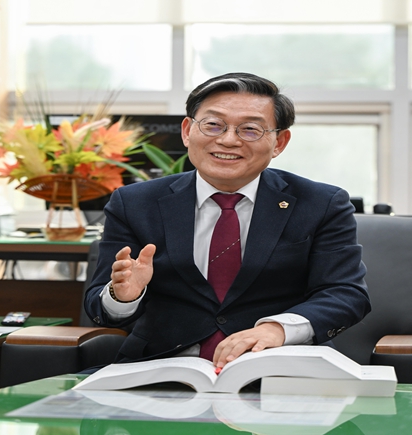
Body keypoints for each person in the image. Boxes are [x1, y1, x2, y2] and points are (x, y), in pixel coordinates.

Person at [84, 72, 370, 370]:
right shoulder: (134, 203)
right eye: (213, 125)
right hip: (160, 367)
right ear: (187, 131)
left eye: (250, 129)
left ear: (279, 142)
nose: (228, 140)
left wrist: (276, 330)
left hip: (280, 368)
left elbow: (345, 294)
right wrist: (123, 297)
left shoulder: (321, 203)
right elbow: (99, 305)